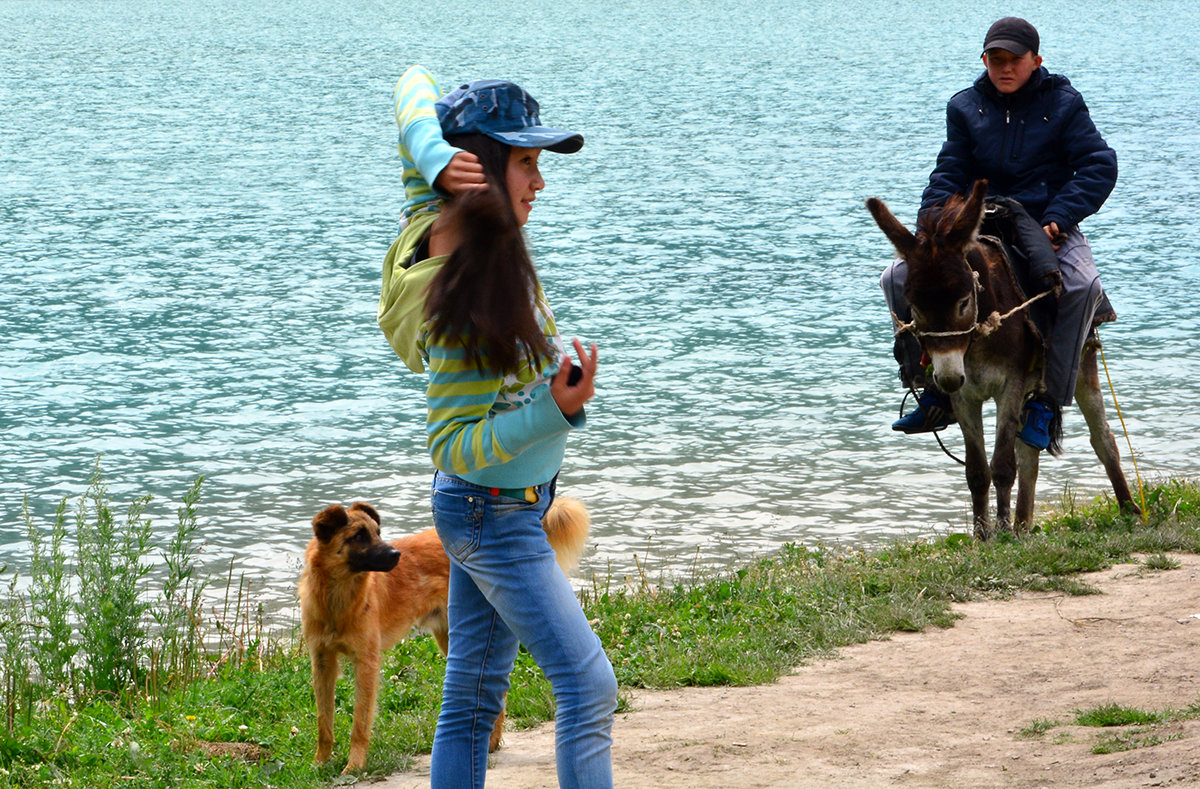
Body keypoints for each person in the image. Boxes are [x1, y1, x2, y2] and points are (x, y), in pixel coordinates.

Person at [378, 65, 617, 789]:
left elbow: (412, 80)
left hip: (502, 505)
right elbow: (452, 443)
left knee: (473, 699)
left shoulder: (439, 204)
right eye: (525, 162)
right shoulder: (468, 290)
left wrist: (429, 154)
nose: (539, 181)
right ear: (481, 166)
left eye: (539, 163)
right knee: (588, 685)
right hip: (491, 515)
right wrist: (554, 410)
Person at [881, 17, 1118, 453]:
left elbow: (1099, 166)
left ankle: (1048, 400)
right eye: (995, 59)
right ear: (985, 60)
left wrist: (1061, 217)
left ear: (1036, 60)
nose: (1004, 67)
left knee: (1083, 287)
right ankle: (930, 386)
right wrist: (929, 226)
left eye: (1014, 59)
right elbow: (949, 171)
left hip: (1047, 221)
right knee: (894, 278)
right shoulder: (966, 106)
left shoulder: (1064, 103)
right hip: (975, 222)